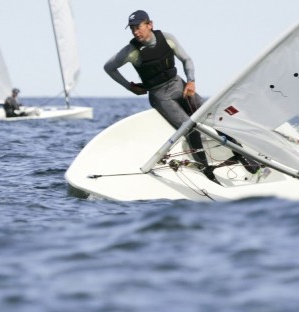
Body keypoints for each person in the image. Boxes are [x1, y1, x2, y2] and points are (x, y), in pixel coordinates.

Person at [104, 10, 256, 184]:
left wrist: (191, 81)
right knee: (189, 128)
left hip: (179, 85)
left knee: (212, 116)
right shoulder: (131, 51)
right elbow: (109, 67)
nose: (135, 32)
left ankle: (244, 156)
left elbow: (187, 60)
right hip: (160, 96)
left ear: (149, 24)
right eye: (132, 29)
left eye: (138, 27)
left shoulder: (167, 38)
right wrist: (129, 86)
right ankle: (206, 172)